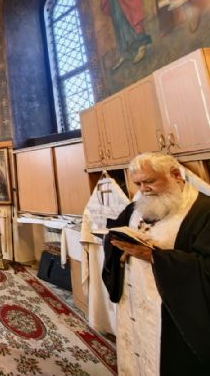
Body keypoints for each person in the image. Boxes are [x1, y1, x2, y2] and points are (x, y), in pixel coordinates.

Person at [102, 152, 210, 375]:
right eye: (138, 184)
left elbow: (205, 268)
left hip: (172, 314)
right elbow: (115, 231)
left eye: (149, 181)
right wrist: (117, 245)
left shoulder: (203, 211)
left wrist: (154, 256)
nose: (143, 189)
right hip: (134, 302)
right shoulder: (136, 208)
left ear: (176, 175)